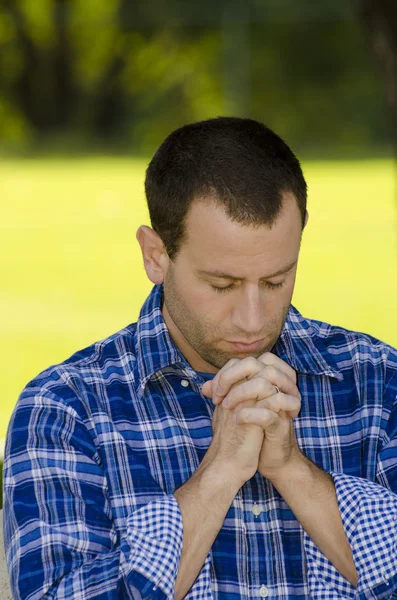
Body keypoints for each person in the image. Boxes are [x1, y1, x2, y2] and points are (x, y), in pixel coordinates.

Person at [3, 117, 397, 600]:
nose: (253, 320)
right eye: (222, 285)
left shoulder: (380, 382)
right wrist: (219, 474)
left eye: (276, 280)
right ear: (155, 255)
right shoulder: (66, 411)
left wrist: (294, 471)